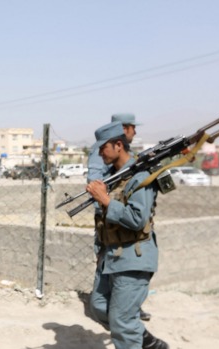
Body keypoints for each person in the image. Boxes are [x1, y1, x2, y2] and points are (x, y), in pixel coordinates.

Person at [85, 122, 168, 349]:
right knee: (100, 307)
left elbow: (136, 219)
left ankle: (134, 339)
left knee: (121, 322)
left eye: (103, 148)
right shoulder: (113, 177)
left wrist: (105, 200)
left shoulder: (140, 176)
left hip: (134, 256)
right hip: (110, 256)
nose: (100, 153)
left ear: (118, 145)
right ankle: (146, 341)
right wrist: (100, 251)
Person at [87, 113, 151, 322]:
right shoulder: (104, 153)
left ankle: (128, 318)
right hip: (110, 220)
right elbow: (94, 183)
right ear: (123, 130)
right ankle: (127, 319)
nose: (134, 132)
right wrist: (106, 200)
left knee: (122, 312)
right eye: (132, 127)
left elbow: (138, 216)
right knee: (101, 302)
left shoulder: (136, 167)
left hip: (127, 234)